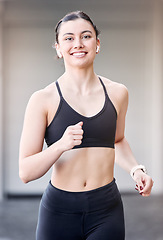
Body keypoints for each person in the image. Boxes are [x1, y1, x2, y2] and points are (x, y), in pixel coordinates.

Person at [19, 11, 154, 240]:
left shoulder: (118, 93)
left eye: (86, 36)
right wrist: (60, 145)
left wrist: (136, 169)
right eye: (69, 38)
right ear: (59, 49)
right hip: (59, 211)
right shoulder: (42, 99)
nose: (78, 44)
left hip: (106, 210)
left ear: (97, 44)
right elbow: (25, 172)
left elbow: (117, 140)